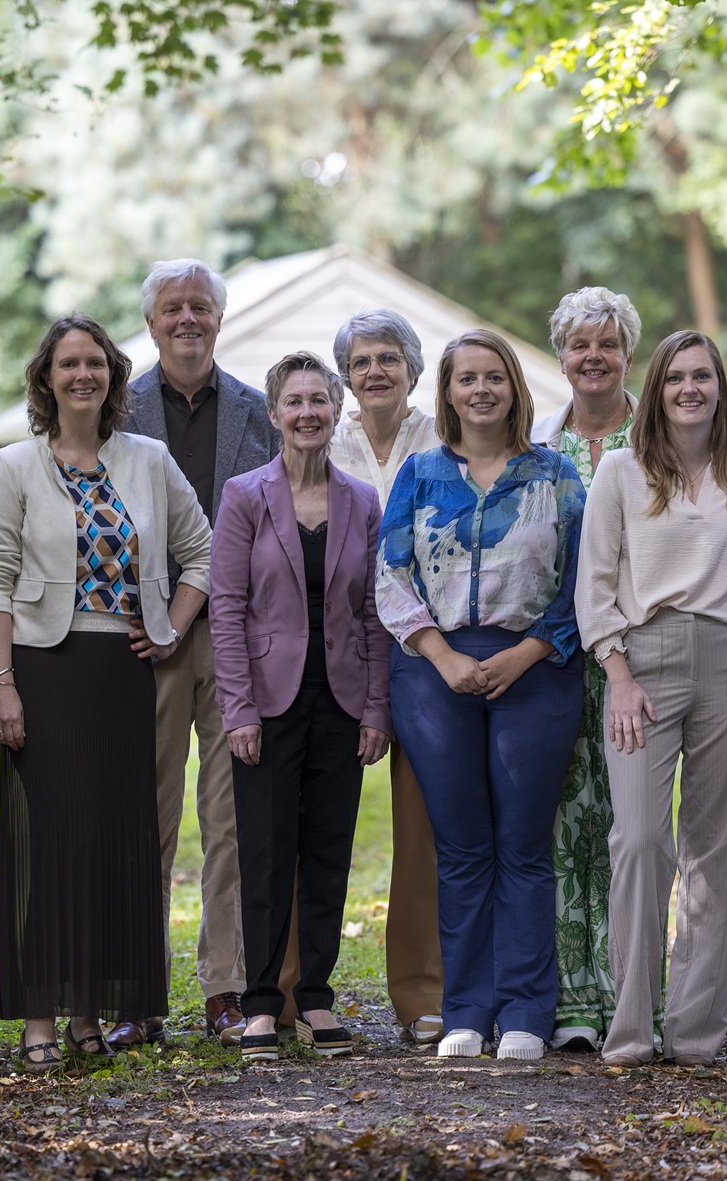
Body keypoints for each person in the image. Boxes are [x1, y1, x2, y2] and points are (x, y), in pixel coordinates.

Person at [0, 314, 213, 1071]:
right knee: (50, 843)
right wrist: (2, 683)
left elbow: (200, 551)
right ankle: (39, 1014)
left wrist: (169, 629)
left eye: (96, 363)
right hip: (44, 672)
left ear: (113, 375)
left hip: (123, 672)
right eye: (68, 363)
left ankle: (88, 1013)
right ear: (46, 377)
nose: (83, 374)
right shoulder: (13, 466)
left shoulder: (148, 459)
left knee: (112, 842)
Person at [575, 329, 727, 1068]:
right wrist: (618, 674)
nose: (690, 389)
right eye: (675, 378)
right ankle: (630, 1027)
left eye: (702, 376)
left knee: (713, 846)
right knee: (637, 839)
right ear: (657, 389)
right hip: (645, 660)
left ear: (719, 387)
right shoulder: (622, 473)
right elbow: (594, 584)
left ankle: (695, 1032)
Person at [377, 329, 587, 1063]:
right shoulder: (419, 473)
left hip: (536, 670)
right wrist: (439, 654)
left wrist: (528, 651)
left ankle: (527, 1011)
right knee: (462, 849)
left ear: (513, 388)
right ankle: (465, 1009)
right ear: (448, 391)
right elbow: (390, 574)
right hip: (435, 675)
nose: (481, 390)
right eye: (467, 378)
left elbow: (580, 583)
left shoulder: (554, 475)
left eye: (493, 376)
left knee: (524, 848)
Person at [210, 352, 393, 1062]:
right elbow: (226, 608)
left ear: (335, 407)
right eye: (295, 401)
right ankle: (260, 1003)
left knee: (326, 851)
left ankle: (314, 997)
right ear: (273, 413)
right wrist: (237, 708)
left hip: (341, 699)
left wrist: (376, 705)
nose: (308, 412)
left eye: (319, 399)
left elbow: (375, 611)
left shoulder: (360, 500)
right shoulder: (244, 495)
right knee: (263, 850)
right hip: (268, 699)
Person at [125, 259, 278, 1045]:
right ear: (151, 322)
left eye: (200, 307)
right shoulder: (118, 407)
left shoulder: (259, 411)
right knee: (145, 817)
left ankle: (226, 987)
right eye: (172, 307)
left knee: (229, 820)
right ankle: (140, 995)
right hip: (145, 639)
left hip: (234, 640)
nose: (187, 318)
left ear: (219, 318)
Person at [327, 309, 446, 1045]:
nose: (375, 370)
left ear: (411, 367)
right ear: (345, 374)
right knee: (315, 820)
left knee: (425, 825)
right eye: (361, 359)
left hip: (423, 642)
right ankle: (292, 991)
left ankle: (422, 993)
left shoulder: (442, 436)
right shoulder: (322, 438)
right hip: (334, 646)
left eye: (388, 358)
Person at [531, 287, 642, 1052]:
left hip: (642, 660)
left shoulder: (660, 436)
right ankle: (574, 998)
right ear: (561, 355)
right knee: (566, 828)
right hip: (557, 662)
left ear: (626, 351)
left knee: (634, 832)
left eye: (606, 343)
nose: (592, 356)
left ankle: (638, 994)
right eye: (579, 344)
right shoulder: (538, 446)